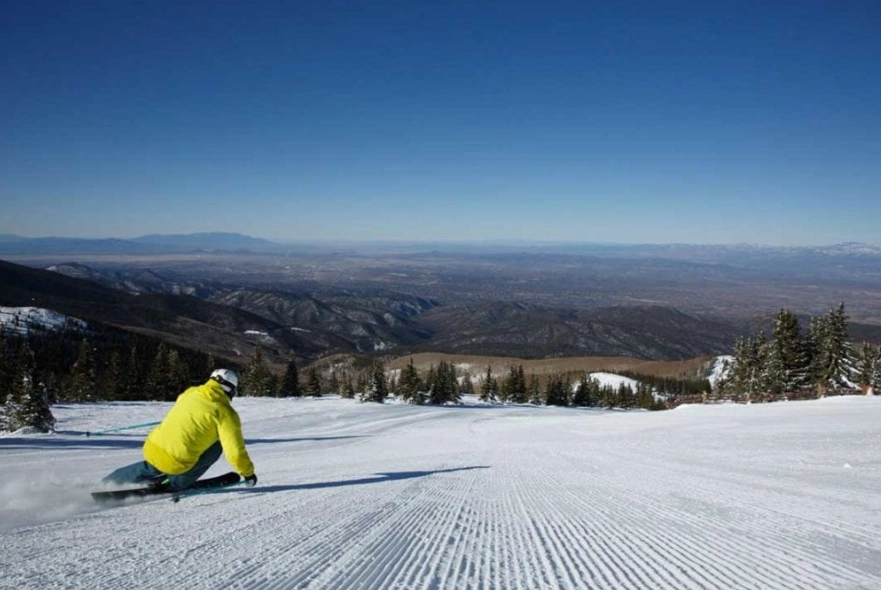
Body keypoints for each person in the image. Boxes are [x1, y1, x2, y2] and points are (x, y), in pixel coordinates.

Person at [103, 368, 257, 491]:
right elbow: (235, 452)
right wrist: (248, 473)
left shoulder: (191, 392)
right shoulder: (226, 413)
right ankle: (175, 483)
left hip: (152, 446)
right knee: (217, 446)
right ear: (231, 390)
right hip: (177, 462)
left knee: (149, 467)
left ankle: (106, 482)